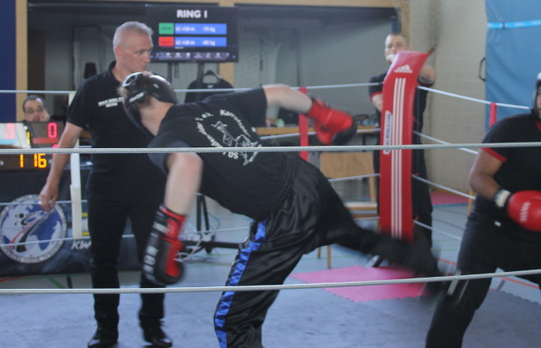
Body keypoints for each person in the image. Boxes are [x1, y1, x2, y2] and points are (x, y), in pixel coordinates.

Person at [120, 71, 442, 348]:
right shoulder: (212, 104)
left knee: (233, 319)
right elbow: (279, 92)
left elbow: (188, 165)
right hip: (305, 178)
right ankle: (430, 267)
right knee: (352, 236)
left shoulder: (164, 139)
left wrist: (167, 235)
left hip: (283, 213)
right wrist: (327, 115)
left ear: (134, 114)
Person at [425, 68, 541, 348]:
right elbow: (478, 177)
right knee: (462, 293)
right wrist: (509, 200)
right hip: (490, 224)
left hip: (536, 230)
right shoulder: (511, 129)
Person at [38, 22, 172, 348]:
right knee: (103, 260)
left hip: (150, 186)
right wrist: (51, 182)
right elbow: (67, 139)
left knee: (153, 257)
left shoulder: (157, 86)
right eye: (140, 51)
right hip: (106, 187)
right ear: (119, 51)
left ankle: (153, 326)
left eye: (149, 50)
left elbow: (174, 133)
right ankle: (106, 329)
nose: (147, 57)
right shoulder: (93, 89)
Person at [369, 32, 436, 245]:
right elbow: (385, 106)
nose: (394, 49)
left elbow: (430, 75)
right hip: (386, 147)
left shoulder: (418, 78)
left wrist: (406, 62)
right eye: (390, 46)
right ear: (385, 52)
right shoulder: (377, 81)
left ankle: (424, 249)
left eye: (399, 45)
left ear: (407, 49)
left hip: (412, 147)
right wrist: (395, 69)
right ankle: (391, 249)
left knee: (420, 201)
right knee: (386, 198)